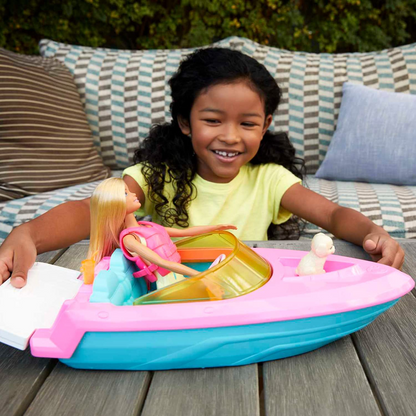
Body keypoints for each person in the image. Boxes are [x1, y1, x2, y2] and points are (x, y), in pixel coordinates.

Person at [0, 47, 404, 288]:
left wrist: (373, 232)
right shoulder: (156, 176)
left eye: (247, 124)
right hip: (173, 297)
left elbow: (332, 215)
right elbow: (95, 210)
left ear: (265, 126)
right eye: (213, 120)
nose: (230, 136)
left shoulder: (270, 179)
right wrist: (29, 233)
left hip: (252, 293)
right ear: (185, 121)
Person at [89, 177, 235, 289]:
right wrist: (203, 275)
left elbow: (184, 232)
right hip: (167, 285)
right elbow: (162, 263)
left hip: (178, 278)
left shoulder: (146, 227)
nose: (133, 194)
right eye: (126, 193)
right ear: (114, 204)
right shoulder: (130, 239)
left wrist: (215, 227)